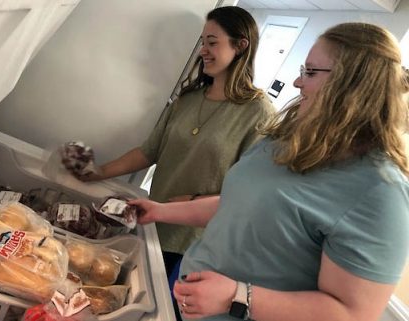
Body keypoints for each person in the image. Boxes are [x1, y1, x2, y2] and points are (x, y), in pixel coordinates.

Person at [131, 22, 409, 321]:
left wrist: (238, 296)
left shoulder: (379, 192)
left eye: (311, 72)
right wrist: (158, 211)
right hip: (186, 302)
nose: (297, 83)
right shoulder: (286, 139)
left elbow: (354, 313)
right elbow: (239, 204)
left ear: (354, 84)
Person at [67, 6, 275, 280]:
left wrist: (193, 201)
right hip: (152, 221)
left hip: (195, 242)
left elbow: (251, 190)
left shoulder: (258, 112)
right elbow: (148, 151)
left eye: (212, 42)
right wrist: (97, 173)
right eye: (203, 42)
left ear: (240, 46)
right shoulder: (188, 100)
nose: (203, 50)